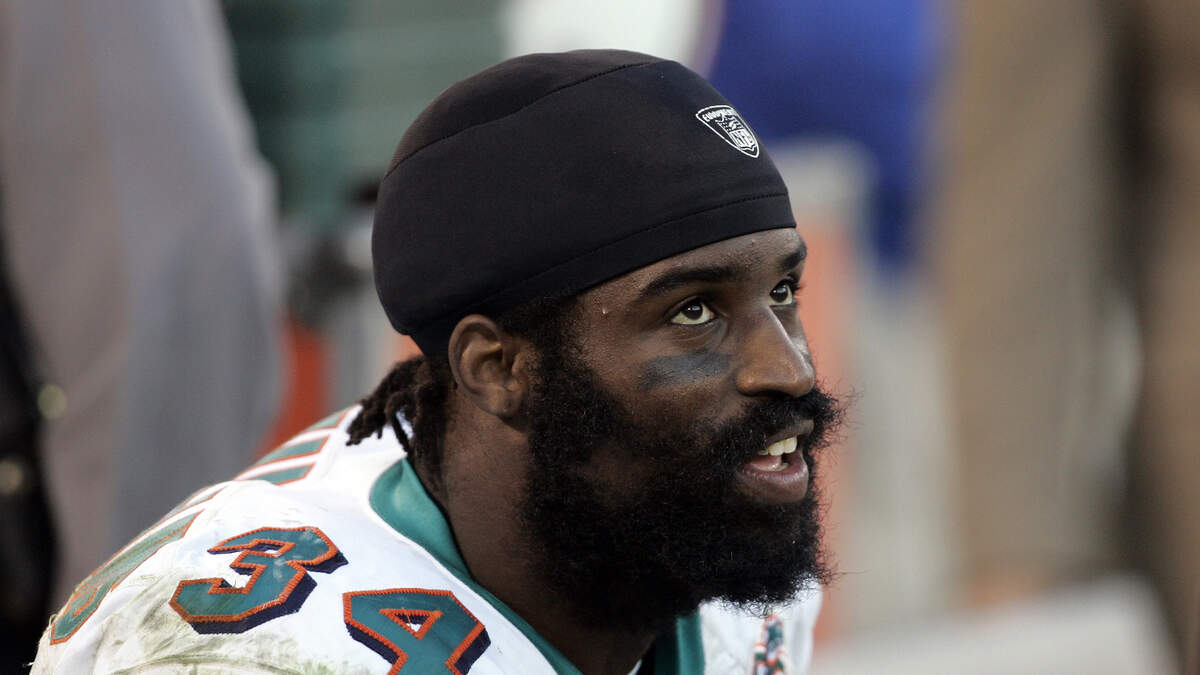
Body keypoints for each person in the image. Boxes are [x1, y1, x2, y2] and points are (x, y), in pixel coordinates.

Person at [31, 50, 842, 674]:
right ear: (497, 368)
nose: (791, 371)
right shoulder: (249, 654)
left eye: (782, 292)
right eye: (693, 311)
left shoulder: (706, 528)